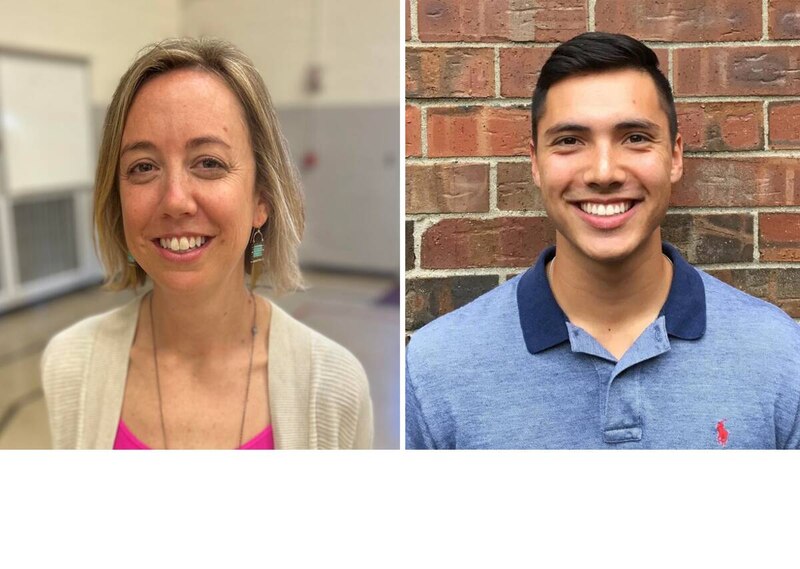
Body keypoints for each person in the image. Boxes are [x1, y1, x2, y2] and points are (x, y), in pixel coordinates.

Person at [405, 32, 800, 449]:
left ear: (676, 157)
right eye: (570, 141)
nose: (604, 172)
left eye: (635, 137)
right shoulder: (437, 369)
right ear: (535, 164)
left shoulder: (777, 355)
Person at [41, 38, 373, 449]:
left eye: (209, 163)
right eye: (143, 167)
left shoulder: (335, 388)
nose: (175, 200)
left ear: (261, 200)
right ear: (118, 201)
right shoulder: (70, 366)